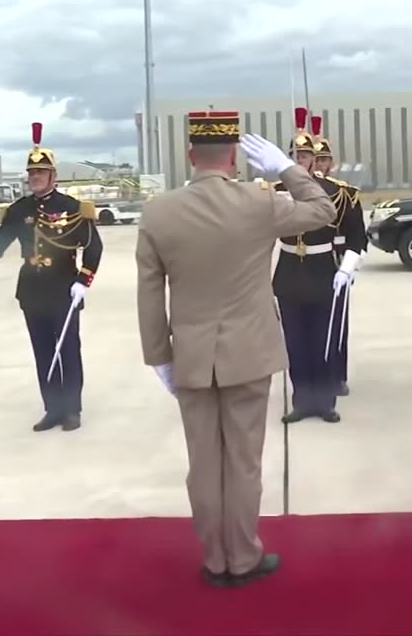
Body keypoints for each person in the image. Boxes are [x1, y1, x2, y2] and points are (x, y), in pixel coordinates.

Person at [135, 110, 336, 588]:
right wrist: (288, 167)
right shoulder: (259, 201)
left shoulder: (159, 212)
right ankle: (242, 557)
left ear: (190, 156)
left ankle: (215, 558)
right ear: (234, 156)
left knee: (203, 464)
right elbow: (325, 211)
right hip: (249, 354)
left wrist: (158, 355)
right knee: (243, 463)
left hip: (191, 356)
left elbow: (148, 291)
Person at [0, 123, 103, 432]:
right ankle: (52, 408)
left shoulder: (72, 208)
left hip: (63, 290)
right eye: (31, 173)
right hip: (31, 292)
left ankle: (72, 409)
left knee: (67, 351)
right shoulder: (19, 210)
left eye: (40, 173)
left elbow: (94, 246)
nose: (34, 178)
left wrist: (83, 281)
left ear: (53, 177)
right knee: (43, 351)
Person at [273, 110, 363, 424]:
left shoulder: (337, 193)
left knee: (323, 339)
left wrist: (346, 269)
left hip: (324, 268)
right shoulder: (274, 193)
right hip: (288, 271)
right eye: (296, 155)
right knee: (295, 341)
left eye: (306, 155)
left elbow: (357, 236)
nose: (301, 160)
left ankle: (325, 400)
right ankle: (302, 400)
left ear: (315, 159)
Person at [308, 115, 368, 399]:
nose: (319, 165)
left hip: (336, 262)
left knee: (336, 324)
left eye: (323, 160)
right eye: (314, 159)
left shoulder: (343, 193)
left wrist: (348, 266)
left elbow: (357, 235)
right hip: (306, 264)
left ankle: (337, 376)